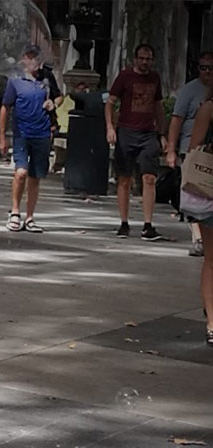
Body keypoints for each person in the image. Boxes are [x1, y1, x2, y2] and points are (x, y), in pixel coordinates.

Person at [106, 43, 166, 241]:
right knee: (124, 179)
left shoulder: (155, 78)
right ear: (135, 59)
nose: (145, 62)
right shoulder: (125, 77)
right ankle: (124, 222)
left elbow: (158, 105)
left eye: (148, 59)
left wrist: (162, 132)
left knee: (149, 178)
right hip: (126, 131)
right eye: (141, 58)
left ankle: (148, 225)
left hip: (148, 133)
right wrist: (110, 127)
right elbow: (110, 102)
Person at [0, 45, 60, 234]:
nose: (34, 61)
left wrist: (53, 103)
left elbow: (59, 97)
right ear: (24, 59)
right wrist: (1, 135)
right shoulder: (15, 80)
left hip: (42, 133)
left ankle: (30, 216)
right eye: (30, 57)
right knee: (21, 172)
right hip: (22, 133)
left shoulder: (47, 77)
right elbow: (5, 107)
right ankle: (15, 211)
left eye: (37, 58)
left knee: (35, 176)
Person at [167, 50, 213, 257]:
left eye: (211, 68)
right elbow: (176, 120)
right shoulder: (190, 91)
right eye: (203, 67)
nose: (207, 72)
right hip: (193, 151)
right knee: (196, 196)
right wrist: (171, 149)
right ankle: (197, 237)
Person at [183, 93, 213, 345]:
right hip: (210, 191)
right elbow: (195, 148)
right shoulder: (208, 109)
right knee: (212, 259)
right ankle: (212, 322)